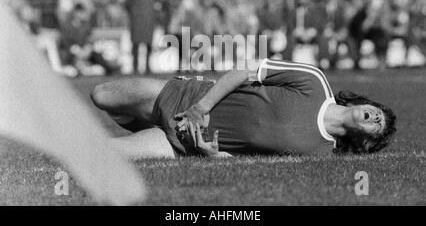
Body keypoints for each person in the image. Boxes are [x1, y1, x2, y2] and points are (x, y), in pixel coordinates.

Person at [91, 59, 396, 159]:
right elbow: (243, 70)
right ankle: (134, 118)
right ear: (363, 103)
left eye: (376, 124)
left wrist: (211, 154)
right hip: (188, 97)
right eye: (376, 112)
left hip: (184, 145)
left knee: (101, 150)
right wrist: (201, 107)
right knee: (100, 95)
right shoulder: (315, 81)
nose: (373, 116)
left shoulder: (318, 153)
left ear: (365, 140)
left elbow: (251, 158)